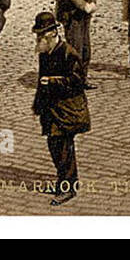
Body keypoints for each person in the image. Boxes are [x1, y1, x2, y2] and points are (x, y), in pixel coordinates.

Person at [30, 11, 90, 206]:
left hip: (67, 111)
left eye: (42, 36)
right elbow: (41, 81)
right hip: (51, 111)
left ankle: (68, 187)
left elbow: (78, 82)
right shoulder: (45, 53)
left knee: (64, 149)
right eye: (38, 36)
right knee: (55, 148)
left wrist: (54, 82)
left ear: (53, 34)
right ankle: (63, 182)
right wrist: (37, 106)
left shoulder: (68, 53)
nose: (39, 40)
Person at [55, 0, 97, 86]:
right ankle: (73, 80)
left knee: (86, 49)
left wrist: (92, 3)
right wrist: (83, 5)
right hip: (72, 15)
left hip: (84, 15)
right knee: (75, 48)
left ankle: (82, 78)